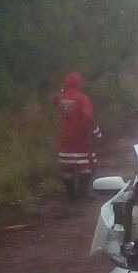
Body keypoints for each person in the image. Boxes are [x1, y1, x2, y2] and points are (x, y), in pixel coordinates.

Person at [53, 72, 100, 200]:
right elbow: (88, 117)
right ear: (79, 83)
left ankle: (71, 195)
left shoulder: (61, 98)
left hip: (65, 138)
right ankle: (82, 192)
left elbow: (55, 98)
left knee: (67, 166)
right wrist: (96, 132)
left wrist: (62, 91)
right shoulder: (83, 99)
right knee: (89, 164)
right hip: (80, 137)